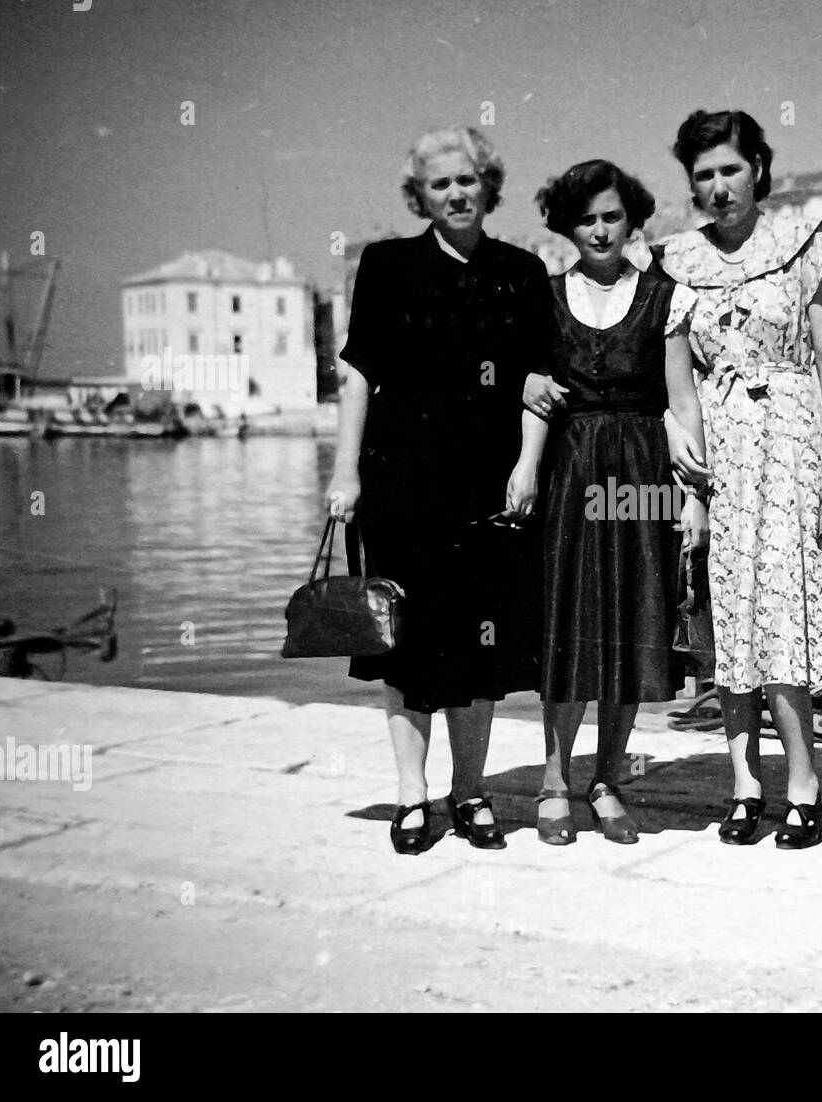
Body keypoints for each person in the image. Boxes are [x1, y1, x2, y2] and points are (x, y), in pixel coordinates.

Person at [325, 125, 554, 855]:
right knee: (408, 646)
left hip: (488, 486)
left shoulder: (521, 272)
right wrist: (345, 468)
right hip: (402, 483)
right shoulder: (388, 265)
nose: (456, 194)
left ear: (489, 186)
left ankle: (471, 792)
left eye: (467, 180)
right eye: (439, 184)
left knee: (481, 649)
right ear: (418, 195)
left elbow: (537, 383)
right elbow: (359, 370)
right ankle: (411, 795)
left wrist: (528, 467)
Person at [655, 109, 822, 848]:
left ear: (759, 168)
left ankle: (805, 784)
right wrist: (686, 464)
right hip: (719, 447)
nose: (718, 186)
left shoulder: (802, 245)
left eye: (730, 169)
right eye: (703, 175)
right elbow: (677, 383)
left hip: (793, 438)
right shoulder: (676, 261)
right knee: (729, 612)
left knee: (786, 610)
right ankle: (744, 783)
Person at [510, 160, 708, 845]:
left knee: (627, 621)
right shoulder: (544, 295)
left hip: (641, 467)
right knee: (572, 625)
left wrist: (693, 497)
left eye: (612, 217)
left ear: (632, 221)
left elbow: (681, 400)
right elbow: (535, 391)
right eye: (587, 218)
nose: (599, 230)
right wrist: (527, 466)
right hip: (571, 468)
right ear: (568, 225)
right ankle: (555, 781)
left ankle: (608, 779)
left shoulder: (665, 297)